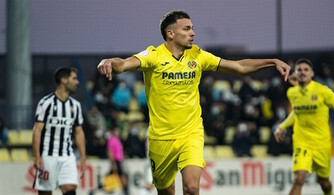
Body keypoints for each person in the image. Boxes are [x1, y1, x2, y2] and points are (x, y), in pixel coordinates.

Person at [97, 10, 291, 195]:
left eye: (192, 28)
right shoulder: (154, 56)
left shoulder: (198, 56)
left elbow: (239, 66)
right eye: (187, 29)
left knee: (191, 187)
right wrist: (108, 61)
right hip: (160, 138)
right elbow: (123, 64)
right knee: (166, 191)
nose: (193, 33)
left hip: (191, 133)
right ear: (170, 33)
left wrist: (272, 61)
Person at [274, 58, 334, 195]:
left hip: (321, 143)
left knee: (324, 182)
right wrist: (281, 127)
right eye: (299, 70)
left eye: (306, 70)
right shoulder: (293, 93)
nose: (302, 72)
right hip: (302, 142)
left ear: (312, 73)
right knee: (299, 178)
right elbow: (297, 112)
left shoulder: (322, 92)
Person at [32, 67, 86, 195]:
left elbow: (79, 132)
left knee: (70, 190)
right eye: (74, 78)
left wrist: (83, 157)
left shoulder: (76, 106)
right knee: (45, 192)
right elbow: (37, 130)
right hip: (48, 155)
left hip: (67, 156)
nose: (77, 82)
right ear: (63, 80)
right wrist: (37, 156)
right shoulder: (46, 103)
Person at [107, 127, 128, 195]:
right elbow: (110, 151)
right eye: (117, 130)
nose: (118, 132)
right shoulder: (112, 140)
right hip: (116, 161)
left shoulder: (118, 140)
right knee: (122, 178)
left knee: (120, 177)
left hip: (120, 161)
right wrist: (113, 163)